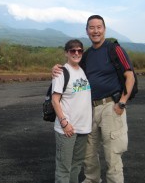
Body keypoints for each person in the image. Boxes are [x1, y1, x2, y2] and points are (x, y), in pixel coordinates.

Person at [52, 15, 135, 183]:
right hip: (90, 111)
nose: (95, 31)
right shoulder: (87, 55)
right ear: (87, 30)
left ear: (104, 29)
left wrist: (122, 103)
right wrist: (55, 69)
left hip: (111, 107)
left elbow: (130, 76)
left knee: (112, 154)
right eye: (92, 27)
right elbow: (71, 68)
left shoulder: (114, 49)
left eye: (99, 27)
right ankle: (92, 180)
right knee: (88, 155)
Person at [52, 39, 92, 183]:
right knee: (64, 169)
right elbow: (55, 100)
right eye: (72, 51)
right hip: (67, 128)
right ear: (66, 53)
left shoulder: (82, 70)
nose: (76, 53)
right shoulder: (62, 72)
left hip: (83, 128)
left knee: (76, 166)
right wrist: (64, 122)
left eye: (79, 50)